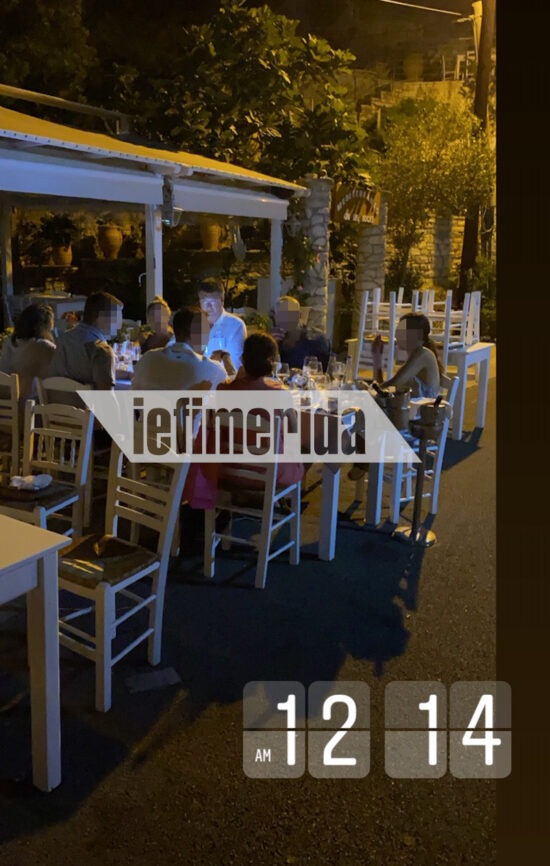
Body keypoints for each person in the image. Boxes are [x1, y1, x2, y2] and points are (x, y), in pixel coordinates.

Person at [183, 332, 303, 510]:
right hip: (267, 475)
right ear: (272, 362)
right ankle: (279, 503)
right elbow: (294, 434)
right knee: (303, 452)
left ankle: (245, 499)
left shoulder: (223, 391)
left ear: (243, 358)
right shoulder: (279, 395)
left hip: (224, 471)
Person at [347, 312, 442, 481]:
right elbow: (386, 390)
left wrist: (368, 388)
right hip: (404, 415)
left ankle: (363, 461)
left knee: (358, 418)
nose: (397, 334)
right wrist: (377, 358)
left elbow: (393, 383)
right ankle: (363, 459)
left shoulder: (423, 355)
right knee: (358, 415)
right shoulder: (415, 355)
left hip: (417, 424)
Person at [132, 307, 234, 391]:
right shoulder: (213, 370)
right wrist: (226, 358)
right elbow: (233, 389)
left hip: (149, 410)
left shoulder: (147, 358)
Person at [48, 290, 123, 389]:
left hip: (55, 399)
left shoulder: (59, 341)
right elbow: (106, 397)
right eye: (116, 318)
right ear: (101, 317)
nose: (119, 326)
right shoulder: (101, 351)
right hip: (86, 400)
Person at [0, 303, 56, 403]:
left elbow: (3, 370)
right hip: (30, 402)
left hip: (6, 399)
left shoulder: (9, 341)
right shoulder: (44, 346)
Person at [271, 295, 330, 371]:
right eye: (281, 315)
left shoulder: (316, 340)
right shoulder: (272, 339)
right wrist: (272, 347)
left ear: (299, 315)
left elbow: (322, 372)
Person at [198, 281, 246, 371]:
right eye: (204, 300)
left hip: (223, 378)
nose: (208, 306)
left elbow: (234, 363)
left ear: (222, 300)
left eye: (212, 301)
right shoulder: (193, 324)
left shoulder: (235, 325)